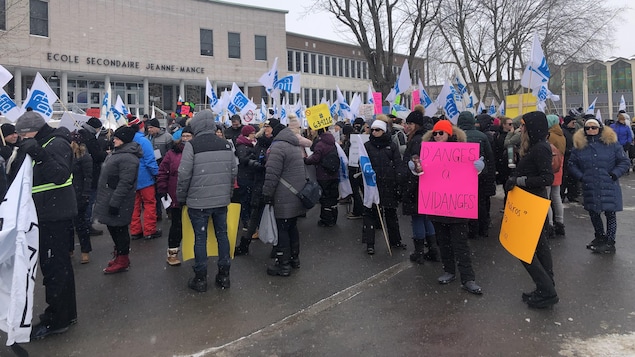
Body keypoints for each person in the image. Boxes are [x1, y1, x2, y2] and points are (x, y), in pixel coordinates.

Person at [12, 111, 78, 340]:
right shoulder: (46, 143)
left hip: (53, 215)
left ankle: (57, 319)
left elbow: (59, 175)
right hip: (48, 214)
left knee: (54, 269)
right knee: (59, 267)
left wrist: (40, 155)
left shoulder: (55, 144)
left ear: (33, 131)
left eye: (23, 134)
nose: (20, 139)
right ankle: (66, 313)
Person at [177, 110, 237, 292]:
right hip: (221, 201)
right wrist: (227, 194)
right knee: (222, 235)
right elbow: (233, 172)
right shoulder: (226, 144)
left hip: (198, 201)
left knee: (200, 238)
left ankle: (201, 278)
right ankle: (224, 275)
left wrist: (182, 197)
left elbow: (183, 174)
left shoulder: (192, 145)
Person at [504, 111, 558, 308]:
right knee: (540, 247)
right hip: (531, 202)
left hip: (532, 204)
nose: (521, 129)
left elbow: (547, 179)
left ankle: (547, 290)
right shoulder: (535, 147)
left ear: (533, 128)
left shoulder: (541, 148)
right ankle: (546, 286)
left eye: (524, 125)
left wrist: (518, 180)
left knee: (523, 250)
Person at [424, 119, 483, 295]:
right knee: (443, 242)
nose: (437, 136)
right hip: (437, 205)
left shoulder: (463, 150)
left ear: (449, 134)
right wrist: (416, 168)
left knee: (461, 244)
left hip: (458, 207)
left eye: (441, 133)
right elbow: (423, 174)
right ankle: (449, 270)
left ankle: (468, 278)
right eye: (434, 133)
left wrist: (478, 168)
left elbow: (472, 176)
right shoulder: (428, 151)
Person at [568, 116, 630, 254]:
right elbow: (572, 164)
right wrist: (581, 177)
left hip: (609, 185)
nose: (591, 130)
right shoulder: (579, 146)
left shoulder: (612, 144)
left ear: (600, 129)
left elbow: (624, 162)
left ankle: (610, 241)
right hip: (590, 185)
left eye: (594, 127)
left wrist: (614, 174)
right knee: (593, 212)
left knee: (610, 213)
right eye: (588, 128)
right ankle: (600, 237)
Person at [93, 126, 142, 273]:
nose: (114, 139)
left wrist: (115, 202)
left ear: (125, 140)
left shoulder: (128, 158)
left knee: (119, 230)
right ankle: (119, 255)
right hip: (111, 197)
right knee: (113, 228)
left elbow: (125, 183)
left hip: (119, 200)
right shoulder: (118, 152)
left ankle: (123, 259)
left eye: (117, 138)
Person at [262, 120, 307, 276]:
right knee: (292, 227)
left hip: (283, 195)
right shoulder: (294, 145)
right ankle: (295, 259)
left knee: (282, 230)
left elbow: (272, 174)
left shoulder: (278, 147)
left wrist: (267, 194)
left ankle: (284, 264)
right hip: (295, 193)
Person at [362, 119, 406, 254]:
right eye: (373, 130)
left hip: (389, 184)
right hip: (372, 185)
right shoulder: (367, 146)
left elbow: (398, 164)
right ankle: (370, 243)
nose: (374, 132)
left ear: (384, 131)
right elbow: (362, 164)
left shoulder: (391, 146)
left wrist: (399, 182)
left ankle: (395, 241)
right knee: (370, 213)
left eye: (377, 130)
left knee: (390, 213)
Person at [402, 110, 439, 263]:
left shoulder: (417, 140)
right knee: (425, 217)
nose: (407, 126)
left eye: (410, 123)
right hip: (426, 184)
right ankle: (433, 249)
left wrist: (409, 179)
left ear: (416, 125)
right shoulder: (425, 138)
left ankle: (419, 253)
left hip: (416, 184)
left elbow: (418, 165)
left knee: (417, 218)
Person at [234, 123, 273, 256]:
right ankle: (246, 244)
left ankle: (277, 247)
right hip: (259, 183)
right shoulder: (258, 146)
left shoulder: (267, 146)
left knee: (263, 215)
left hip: (263, 183)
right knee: (256, 214)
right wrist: (257, 164)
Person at [157, 126, 193, 266]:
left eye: (188, 136)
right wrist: (162, 190)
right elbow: (162, 172)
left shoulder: (197, 152)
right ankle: (172, 253)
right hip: (176, 194)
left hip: (194, 195)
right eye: (183, 136)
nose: (185, 139)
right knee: (176, 226)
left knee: (196, 225)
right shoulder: (172, 153)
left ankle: (197, 251)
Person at [457, 111, 496, 238]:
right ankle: (483, 229)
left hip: (463, 176)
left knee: (467, 203)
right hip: (481, 175)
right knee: (481, 202)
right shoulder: (482, 136)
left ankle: (471, 229)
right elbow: (490, 158)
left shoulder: (457, 137)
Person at [128, 116, 161, 240]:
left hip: (131, 178)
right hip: (145, 178)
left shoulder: (127, 139)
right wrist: (156, 174)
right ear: (141, 126)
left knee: (134, 205)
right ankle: (149, 230)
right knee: (149, 204)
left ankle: (135, 230)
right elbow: (150, 161)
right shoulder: (144, 141)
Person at [78, 117, 108, 236]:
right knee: (89, 200)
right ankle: (87, 224)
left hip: (82, 175)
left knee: (84, 200)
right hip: (91, 173)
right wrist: (105, 154)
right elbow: (97, 156)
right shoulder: (90, 138)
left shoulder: (80, 135)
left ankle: (81, 223)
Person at [304, 127, 339, 227]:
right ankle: (333, 218)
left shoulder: (320, 144)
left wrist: (305, 160)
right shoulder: (333, 142)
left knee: (325, 198)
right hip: (333, 174)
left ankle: (326, 220)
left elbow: (315, 158)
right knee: (333, 197)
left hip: (323, 175)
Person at [70, 132, 93, 264]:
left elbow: (88, 177)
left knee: (80, 224)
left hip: (79, 194)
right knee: (69, 225)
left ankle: (85, 251)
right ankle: (70, 249)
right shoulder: (68, 156)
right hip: (69, 193)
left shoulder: (84, 157)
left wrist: (86, 193)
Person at [546, 115, 566, 237]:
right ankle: (560, 222)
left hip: (550, 166)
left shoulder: (550, 136)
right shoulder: (561, 135)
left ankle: (550, 225)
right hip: (559, 166)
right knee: (556, 196)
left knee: (546, 199)